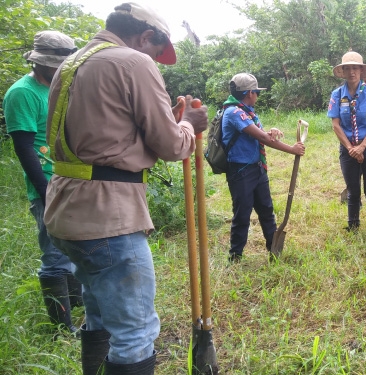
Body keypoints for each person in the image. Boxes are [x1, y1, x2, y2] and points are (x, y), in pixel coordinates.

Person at [44, 3, 209, 374]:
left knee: (99, 315)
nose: (153, 58)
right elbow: (171, 146)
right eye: (154, 51)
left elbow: (105, 133)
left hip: (66, 211)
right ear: (145, 37)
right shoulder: (132, 62)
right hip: (108, 216)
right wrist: (189, 125)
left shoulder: (71, 64)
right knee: (135, 332)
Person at [3, 30, 81, 336]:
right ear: (43, 64)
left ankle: (75, 307)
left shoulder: (59, 89)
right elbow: (24, 147)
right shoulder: (22, 93)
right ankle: (63, 328)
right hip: (47, 185)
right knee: (54, 255)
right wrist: (45, 192)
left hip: (69, 181)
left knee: (73, 248)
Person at [223, 73, 305, 262]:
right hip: (241, 172)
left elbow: (257, 134)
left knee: (266, 210)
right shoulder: (234, 112)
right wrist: (291, 150)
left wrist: (270, 132)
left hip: (257, 168)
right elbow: (261, 138)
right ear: (249, 93)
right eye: (256, 92)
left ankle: (274, 250)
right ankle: (235, 257)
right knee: (242, 214)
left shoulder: (247, 110)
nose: (257, 96)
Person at [327, 51, 366, 235]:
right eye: (347, 68)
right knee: (353, 191)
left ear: (361, 71)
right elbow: (336, 125)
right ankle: (353, 227)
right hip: (347, 149)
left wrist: (362, 146)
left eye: (355, 68)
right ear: (342, 71)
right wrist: (351, 148)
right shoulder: (337, 94)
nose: (351, 72)